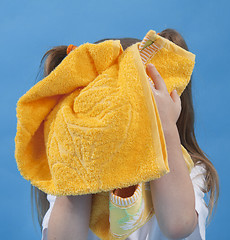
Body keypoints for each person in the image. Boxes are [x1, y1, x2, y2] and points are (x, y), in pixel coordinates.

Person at [31, 28, 219, 240]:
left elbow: (178, 226)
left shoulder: (189, 169)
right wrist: (82, 151)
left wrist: (165, 127)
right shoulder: (65, 174)